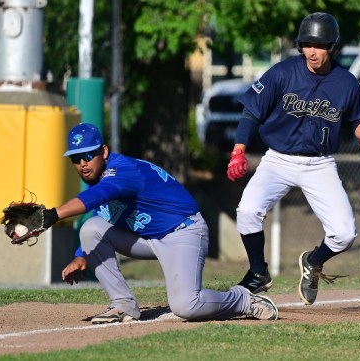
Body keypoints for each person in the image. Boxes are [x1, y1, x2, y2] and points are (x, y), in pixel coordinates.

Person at [47, 122, 277, 324]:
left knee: (185, 305)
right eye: (75, 159)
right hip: (150, 239)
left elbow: (95, 198)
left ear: (104, 151)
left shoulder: (124, 170)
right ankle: (122, 305)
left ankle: (242, 299)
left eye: (88, 155)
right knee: (91, 228)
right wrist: (80, 255)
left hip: (183, 232)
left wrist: (52, 215)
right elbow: (102, 212)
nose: (82, 163)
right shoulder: (98, 179)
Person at [226, 12, 360, 305]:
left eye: (319, 45)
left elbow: (359, 120)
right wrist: (238, 150)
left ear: (331, 47)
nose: (312, 51)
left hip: (320, 164)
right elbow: (251, 112)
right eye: (307, 44)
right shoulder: (283, 73)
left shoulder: (346, 83)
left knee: (345, 234)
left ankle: (314, 262)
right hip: (277, 160)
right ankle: (258, 273)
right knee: (247, 210)